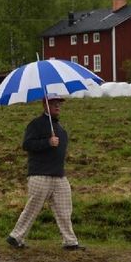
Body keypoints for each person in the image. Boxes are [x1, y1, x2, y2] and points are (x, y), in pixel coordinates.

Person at [6, 96, 81, 251]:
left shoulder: (59, 126)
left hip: (59, 175)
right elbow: (27, 144)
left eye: (59, 104)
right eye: (54, 104)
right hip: (40, 174)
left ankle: (70, 242)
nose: (57, 106)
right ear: (45, 105)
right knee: (33, 208)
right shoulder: (36, 124)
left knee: (64, 209)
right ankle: (16, 237)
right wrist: (47, 142)